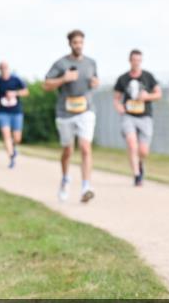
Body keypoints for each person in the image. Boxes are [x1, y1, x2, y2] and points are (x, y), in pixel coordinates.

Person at [43, 29, 99, 203]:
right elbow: (45, 85)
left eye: (81, 42)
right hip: (65, 112)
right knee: (68, 150)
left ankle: (86, 187)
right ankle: (65, 179)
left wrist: (95, 83)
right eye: (75, 42)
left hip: (86, 110)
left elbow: (95, 80)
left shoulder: (91, 63)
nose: (79, 46)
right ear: (70, 44)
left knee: (85, 147)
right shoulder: (61, 64)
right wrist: (63, 79)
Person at [112, 49, 161, 186]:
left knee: (143, 151)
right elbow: (116, 98)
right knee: (132, 145)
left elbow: (158, 94)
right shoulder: (123, 79)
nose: (136, 63)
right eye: (134, 60)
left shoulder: (148, 77)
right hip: (129, 116)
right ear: (130, 60)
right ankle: (137, 175)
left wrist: (147, 96)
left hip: (145, 117)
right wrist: (119, 107)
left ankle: (140, 163)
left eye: (139, 60)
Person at [0, 61, 29, 168]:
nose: (4, 69)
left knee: (17, 138)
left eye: (5, 67)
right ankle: (11, 158)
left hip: (16, 111)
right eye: (2, 68)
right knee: (6, 135)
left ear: (8, 68)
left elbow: (26, 91)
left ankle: (13, 147)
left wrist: (14, 93)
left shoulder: (16, 80)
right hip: (2, 112)